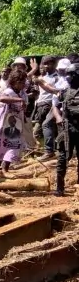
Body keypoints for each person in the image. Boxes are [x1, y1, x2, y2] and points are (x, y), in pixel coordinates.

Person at [0, 69, 28, 176]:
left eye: (24, 82)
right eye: (21, 82)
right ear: (14, 82)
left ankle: (5, 168)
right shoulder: (8, 91)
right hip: (2, 123)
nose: (23, 85)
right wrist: (18, 100)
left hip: (16, 124)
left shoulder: (22, 93)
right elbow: (2, 99)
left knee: (14, 145)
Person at [32, 56, 69, 159]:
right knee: (48, 126)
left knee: (48, 125)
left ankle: (53, 151)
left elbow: (54, 91)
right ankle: (56, 151)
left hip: (57, 105)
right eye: (45, 63)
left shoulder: (60, 78)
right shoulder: (55, 77)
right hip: (49, 105)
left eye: (50, 63)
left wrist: (41, 82)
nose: (47, 66)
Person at [55, 64, 79, 196]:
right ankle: (59, 188)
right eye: (68, 74)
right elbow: (56, 106)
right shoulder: (64, 92)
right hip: (68, 128)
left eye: (72, 74)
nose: (69, 77)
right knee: (63, 157)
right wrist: (59, 118)